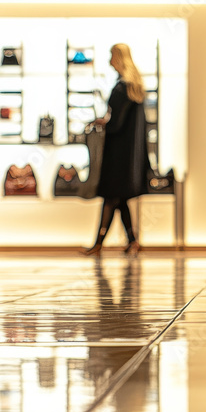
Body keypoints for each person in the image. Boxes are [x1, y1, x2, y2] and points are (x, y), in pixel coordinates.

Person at [82, 43, 150, 256]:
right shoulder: (135, 87)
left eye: (111, 55)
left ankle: (99, 244)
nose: (109, 60)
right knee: (119, 199)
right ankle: (131, 241)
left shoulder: (122, 88)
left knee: (111, 197)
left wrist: (103, 123)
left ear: (119, 58)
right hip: (130, 154)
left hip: (117, 153)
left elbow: (116, 124)